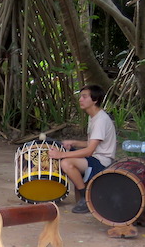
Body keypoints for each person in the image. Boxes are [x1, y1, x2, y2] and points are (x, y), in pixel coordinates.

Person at [48, 84, 116, 214]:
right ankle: (57, 192)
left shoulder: (101, 120)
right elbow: (92, 144)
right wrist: (73, 143)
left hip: (101, 161)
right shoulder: (94, 117)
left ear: (95, 100)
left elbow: (90, 150)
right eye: (81, 97)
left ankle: (86, 197)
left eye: (84, 97)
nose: (80, 100)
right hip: (94, 156)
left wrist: (61, 154)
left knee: (66, 162)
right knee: (64, 154)